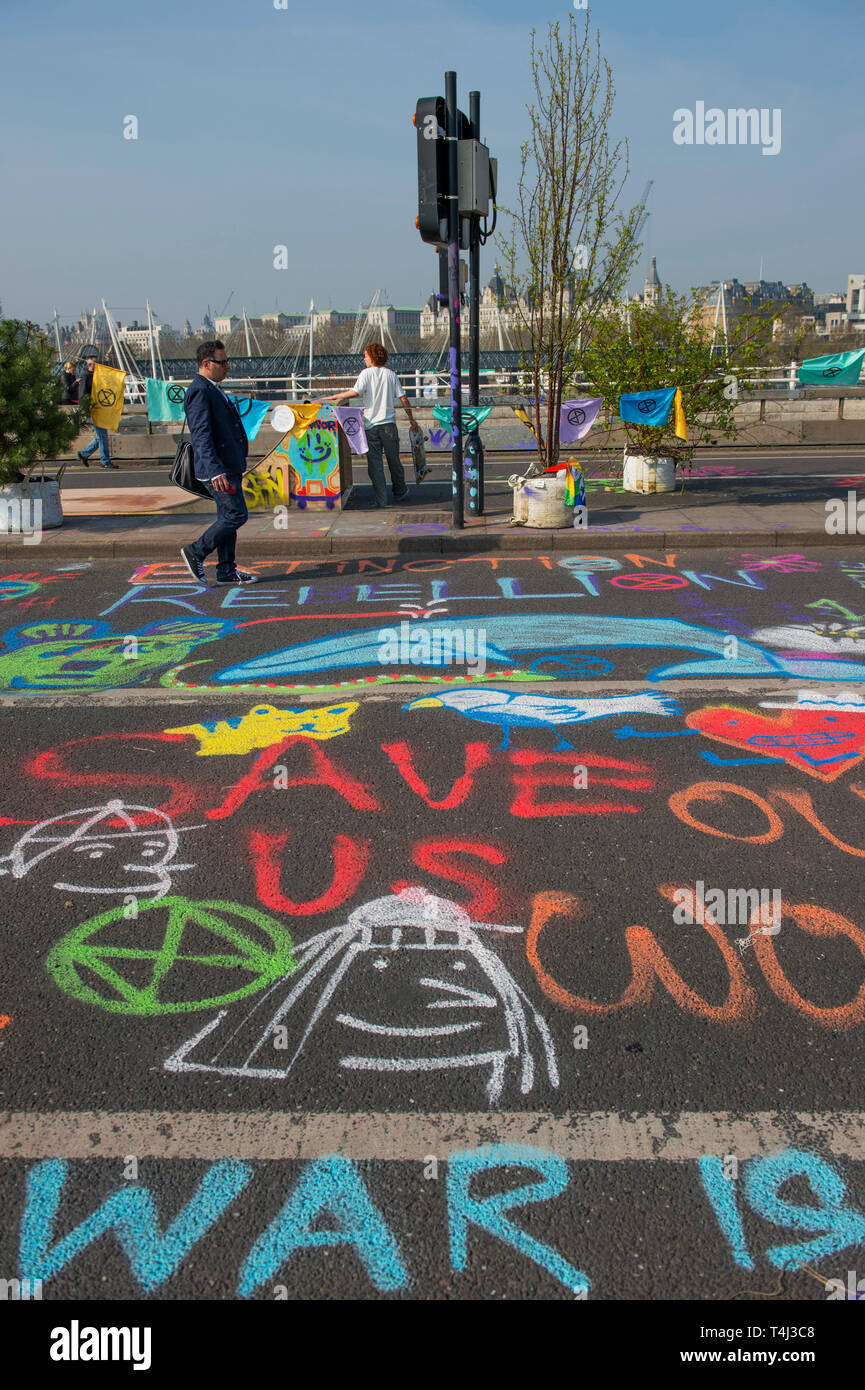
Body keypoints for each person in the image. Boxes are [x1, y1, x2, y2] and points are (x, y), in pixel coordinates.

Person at [179, 341, 259, 587]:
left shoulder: (213, 388)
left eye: (227, 361)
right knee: (236, 515)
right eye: (222, 362)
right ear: (206, 364)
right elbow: (201, 435)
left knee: (227, 516)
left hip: (228, 465)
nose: (227, 366)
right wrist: (215, 471)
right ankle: (196, 551)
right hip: (219, 470)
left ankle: (226, 570)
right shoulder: (200, 391)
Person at [321, 342, 418, 508]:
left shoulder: (365, 374)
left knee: (375, 465)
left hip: (371, 425)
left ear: (372, 357)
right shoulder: (391, 375)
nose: (364, 358)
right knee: (394, 461)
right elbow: (403, 398)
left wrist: (334, 396)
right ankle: (400, 491)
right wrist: (411, 419)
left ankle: (381, 500)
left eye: (366, 355)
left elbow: (355, 392)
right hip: (389, 425)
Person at [76, 352, 118, 469]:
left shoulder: (96, 375)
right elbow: (83, 394)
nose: (98, 365)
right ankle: (105, 461)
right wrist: (85, 410)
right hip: (91, 410)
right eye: (95, 363)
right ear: (90, 364)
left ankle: (84, 453)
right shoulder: (86, 376)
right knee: (102, 435)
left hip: (98, 410)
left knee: (101, 435)